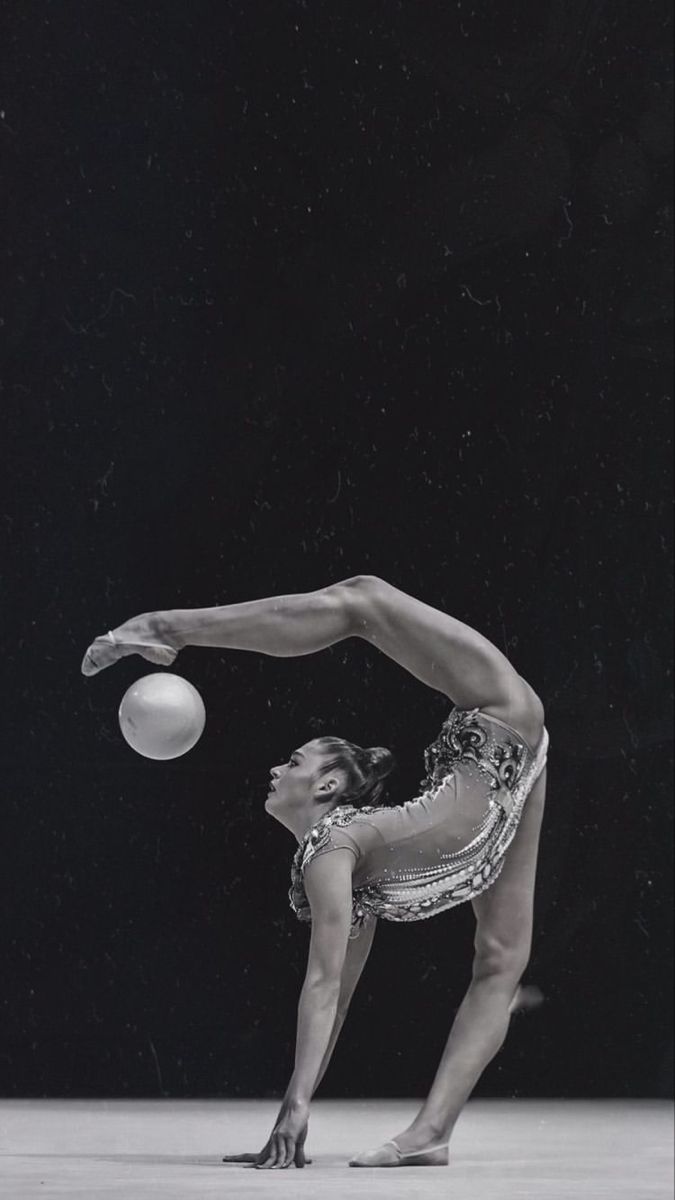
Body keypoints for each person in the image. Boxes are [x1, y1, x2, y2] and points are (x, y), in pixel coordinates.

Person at [81, 574, 548, 1170]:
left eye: (294, 761)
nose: (278, 768)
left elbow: (325, 988)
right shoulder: (347, 867)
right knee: (501, 962)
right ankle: (431, 1132)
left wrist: (296, 1106)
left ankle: (167, 626)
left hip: (497, 713)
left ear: (326, 787)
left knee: (363, 597)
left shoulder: (334, 847)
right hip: (515, 762)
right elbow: (337, 996)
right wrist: (292, 1108)